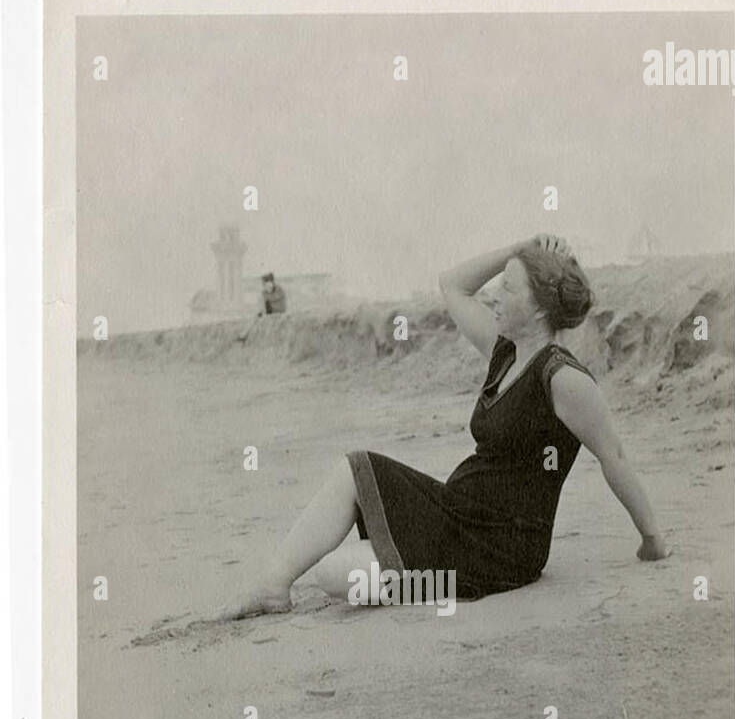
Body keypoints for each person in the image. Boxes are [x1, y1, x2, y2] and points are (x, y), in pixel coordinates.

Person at [220, 233, 667, 617]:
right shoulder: (505, 350)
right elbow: (452, 285)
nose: (494, 295)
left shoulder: (563, 378)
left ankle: (438, 584)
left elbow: (615, 457)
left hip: (502, 548)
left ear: (537, 308)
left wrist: (652, 539)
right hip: (457, 512)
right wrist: (518, 247)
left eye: (508, 289)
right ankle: (273, 586)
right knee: (354, 475)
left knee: (337, 576)